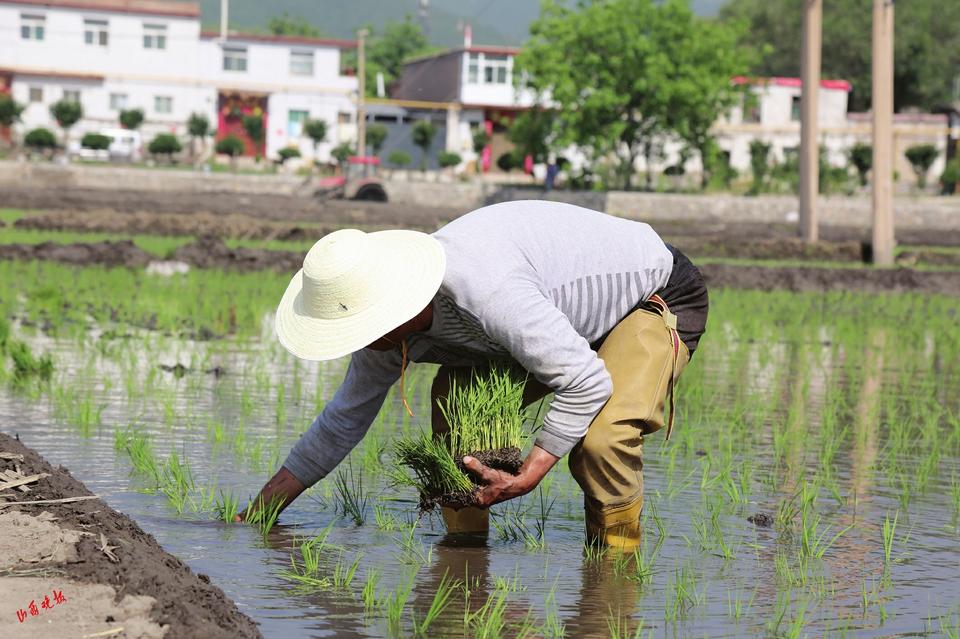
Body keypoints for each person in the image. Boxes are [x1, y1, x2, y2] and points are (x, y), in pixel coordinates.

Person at [241, 200, 708, 550]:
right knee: (457, 396)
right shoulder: (385, 334)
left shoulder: (486, 290)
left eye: (362, 326)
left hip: (651, 294)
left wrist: (531, 471)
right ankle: (465, 556)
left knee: (600, 440)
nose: (360, 339)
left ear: (397, 305)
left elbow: (585, 381)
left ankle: (614, 572)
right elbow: (344, 418)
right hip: (559, 319)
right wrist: (261, 510)